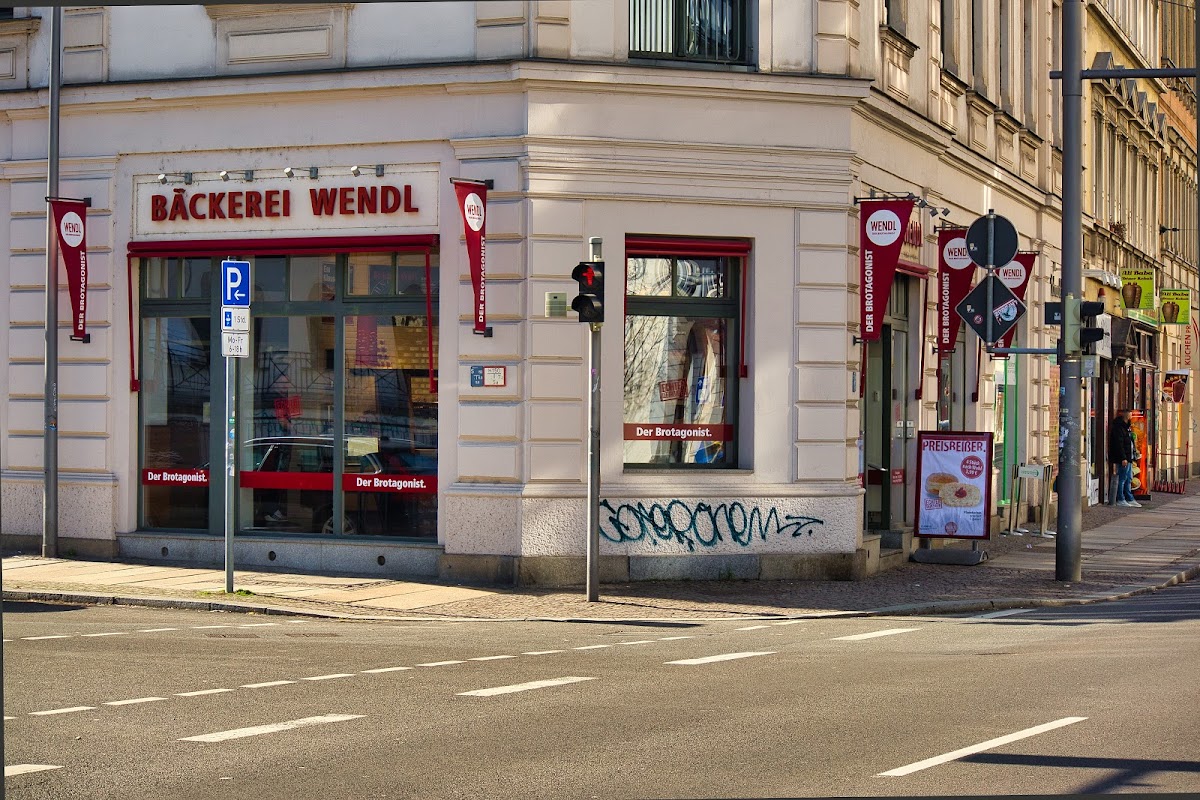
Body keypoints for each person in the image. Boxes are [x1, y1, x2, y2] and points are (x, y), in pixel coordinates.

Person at [1108, 409, 1141, 508]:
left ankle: (1129, 498)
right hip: (1124, 457)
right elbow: (1119, 444)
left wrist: (1134, 453)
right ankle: (1121, 498)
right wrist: (1123, 458)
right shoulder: (1119, 428)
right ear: (1126, 416)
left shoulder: (1127, 427)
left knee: (1128, 478)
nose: (1132, 416)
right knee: (1122, 478)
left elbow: (1130, 442)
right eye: (1130, 415)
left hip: (1129, 457)